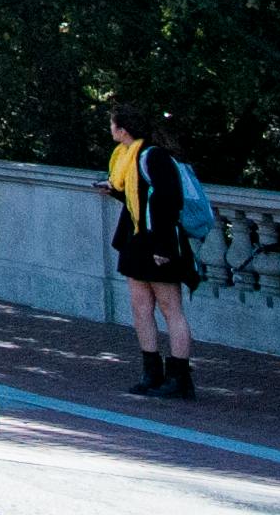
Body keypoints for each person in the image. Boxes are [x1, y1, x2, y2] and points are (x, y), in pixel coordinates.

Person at [107, 104, 201, 400]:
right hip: (135, 240)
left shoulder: (153, 155)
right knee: (140, 307)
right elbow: (137, 199)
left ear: (123, 129)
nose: (110, 129)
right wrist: (113, 191)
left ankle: (180, 377)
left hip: (157, 241)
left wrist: (163, 247)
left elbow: (168, 200)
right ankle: (152, 371)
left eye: (112, 124)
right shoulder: (124, 157)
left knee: (170, 307)